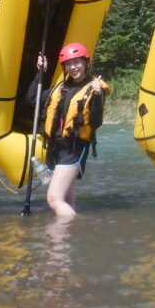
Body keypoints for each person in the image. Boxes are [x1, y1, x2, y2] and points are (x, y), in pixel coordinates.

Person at [28, 42, 109, 218]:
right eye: (68, 64)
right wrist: (40, 73)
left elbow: (96, 122)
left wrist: (97, 97)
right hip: (56, 148)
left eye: (77, 62)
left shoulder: (95, 88)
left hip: (74, 148)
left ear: (85, 63)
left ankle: (63, 237)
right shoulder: (60, 87)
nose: (73, 67)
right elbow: (32, 99)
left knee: (54, 199)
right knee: (66, 200)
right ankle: (68, 241)